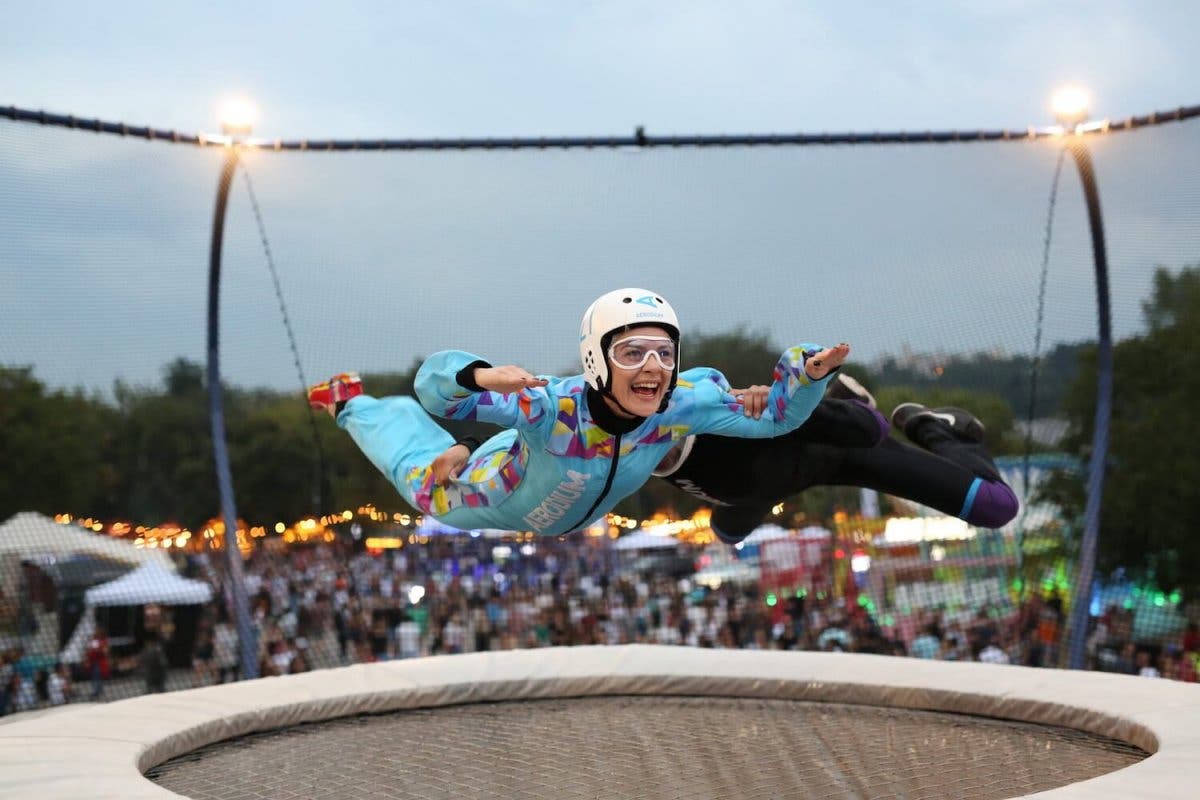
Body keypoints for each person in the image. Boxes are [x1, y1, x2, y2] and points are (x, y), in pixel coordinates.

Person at [309, 288, 848, 537]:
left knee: (462, 449)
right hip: (494, 489)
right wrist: (478, 375)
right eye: (631, 353)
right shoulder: (550, 405)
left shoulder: (679, 406)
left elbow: (779, 416)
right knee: (420, 478)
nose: (652, 367)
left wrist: (807, 375)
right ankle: (350, 403)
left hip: (551, 490)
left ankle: (461, 446)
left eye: (664, 353)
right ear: (596, 359)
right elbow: (437, 391)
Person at [434, 373, 1018, 544]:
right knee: (732, 522)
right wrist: (465, 448)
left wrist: (801, 405)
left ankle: (936, 429)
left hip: (845, 450)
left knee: (996, 507)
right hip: (781, 478)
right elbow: (539, 430)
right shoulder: (618, 447)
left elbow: (864, 430)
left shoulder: (719, 418)